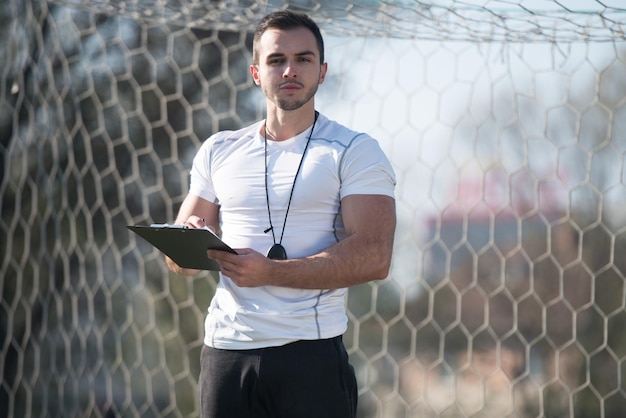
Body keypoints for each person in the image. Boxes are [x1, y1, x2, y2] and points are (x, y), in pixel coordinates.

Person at [166, 9, 396, 418]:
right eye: (276, 60)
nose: (290, 70)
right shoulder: (220, 149)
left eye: (303, 59)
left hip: (310, 357)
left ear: (322, 71)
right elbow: (177, 261)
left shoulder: (354, 150)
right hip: (226, 354)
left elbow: (375, 257)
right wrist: (192, 237)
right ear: (256, 72)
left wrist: (270, 273)